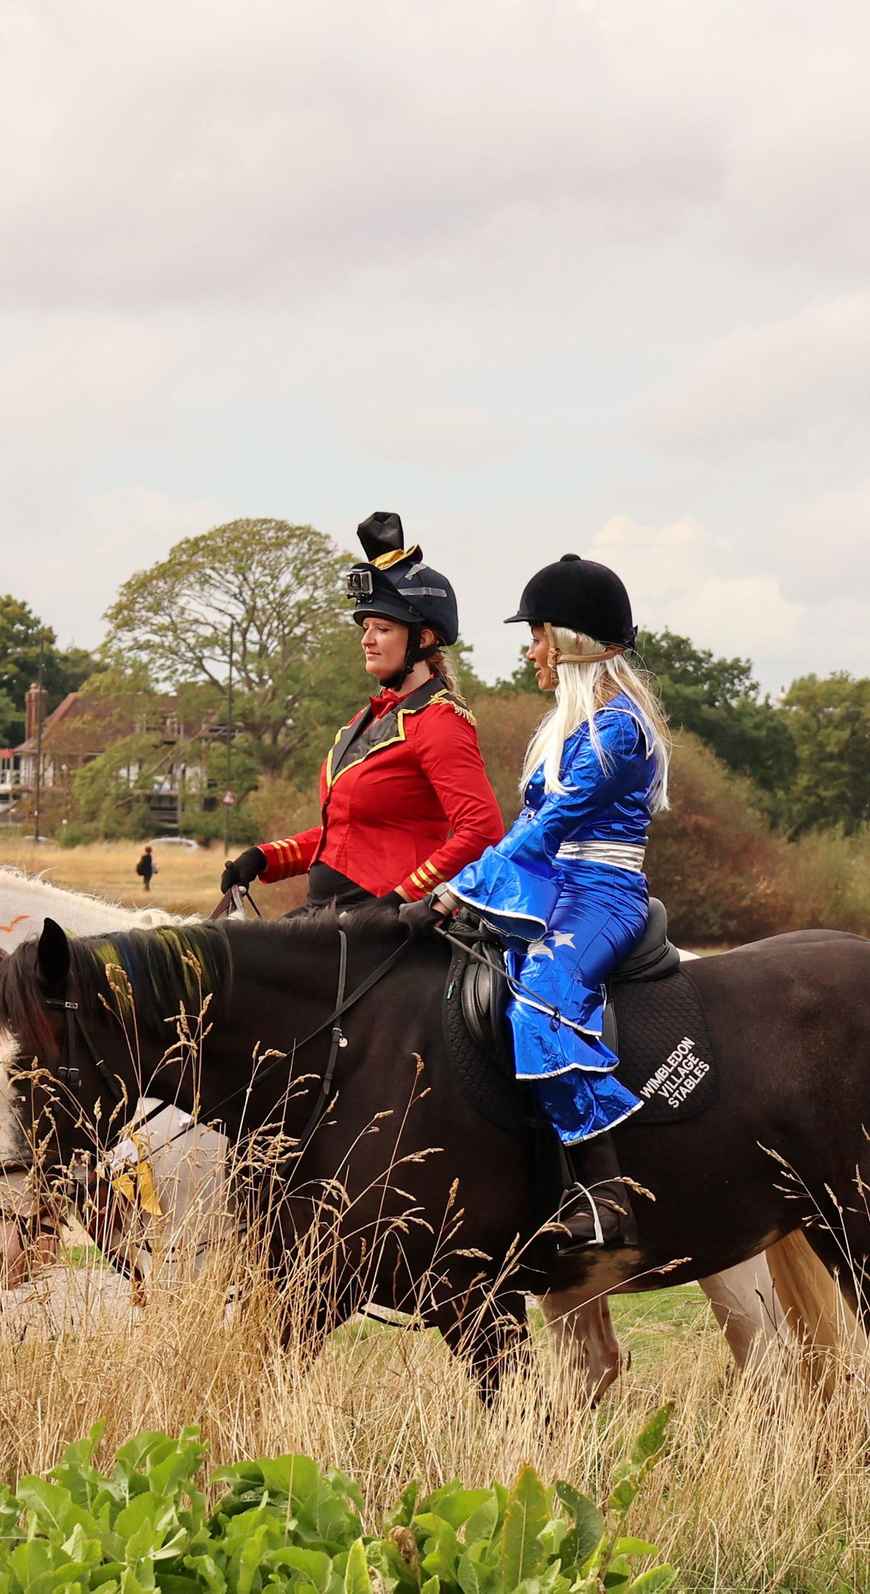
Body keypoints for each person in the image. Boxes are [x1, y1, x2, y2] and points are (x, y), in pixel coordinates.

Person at [438, 553, 665, 1251]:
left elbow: (550, 827)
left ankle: (607, 1196)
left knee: (539, 995)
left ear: (570, 640)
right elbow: (521, 832)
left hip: (604, 893)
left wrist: (455, 889)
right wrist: (465, 899)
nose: (530, 649)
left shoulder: (621, 730)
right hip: (558, 886)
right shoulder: (564, 728)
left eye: (537, 633)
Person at [218, 512, 502, 920]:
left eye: (382, 628)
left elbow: (483, 833)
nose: (366, 640)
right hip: (331, 912)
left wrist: (401, 899)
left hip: (388, 924)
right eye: (365, 626)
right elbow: (348, 836)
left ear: (421, 639)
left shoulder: (440, 721)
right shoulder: (363, 720)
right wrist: (265, 858)